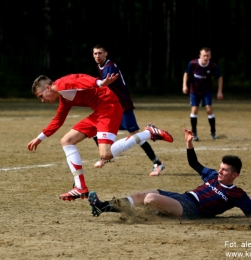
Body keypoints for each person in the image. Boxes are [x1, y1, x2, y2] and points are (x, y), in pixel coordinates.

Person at [27, 73, 174, 202]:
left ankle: (149, 132)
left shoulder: (62, 84)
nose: (42, 100)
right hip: (99, 112)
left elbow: (80, 79)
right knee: (66, 141)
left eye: (41, 96)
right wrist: (39, 138)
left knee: (105, 154)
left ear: (47, 88)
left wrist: (99, 83)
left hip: (109, 107)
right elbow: (58, 120)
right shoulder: (64, 98)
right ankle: (80, 187)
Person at [88, 128, 251, 219]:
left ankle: (157, 212)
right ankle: (103, 207)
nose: (220, 171)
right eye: (221, 168)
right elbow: (194, 163)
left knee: (150, 199)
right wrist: (189, 143)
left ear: (234, 175)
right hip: (184, 197)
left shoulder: (237, 194)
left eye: (225, 170)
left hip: (192, 210)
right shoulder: (212, 176)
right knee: (142, 195)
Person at [91, 44, 165, 176]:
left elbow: (104, 87)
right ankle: (107, 156)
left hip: (123, 106)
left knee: (135, 135)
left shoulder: (110, 67)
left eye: (100, 53)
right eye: (95, 53)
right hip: (112, 107)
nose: (97, 56)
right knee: (96, 128)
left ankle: (157, 163)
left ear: (106, 53)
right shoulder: (100, 66)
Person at [182, 47, 223, 141]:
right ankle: (194, 133)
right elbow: (186, 74)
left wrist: (219, 91)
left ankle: (213, 132)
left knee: (209, 109)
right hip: (194, 91)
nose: (205, 57)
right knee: (194, 110)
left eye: (207, 56)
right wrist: (184, 85)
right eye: (204, 55)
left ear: (210, 56)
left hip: (206, 91)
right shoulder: (193, 63)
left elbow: (219, 77)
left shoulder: (213, 66)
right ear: (200, 55)